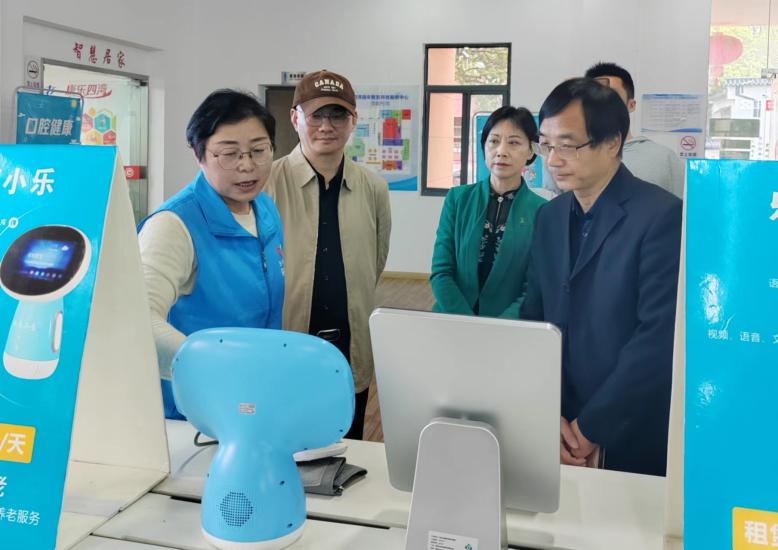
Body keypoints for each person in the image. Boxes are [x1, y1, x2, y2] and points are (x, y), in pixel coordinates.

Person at [521, 78, 682, 476]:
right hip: (555, 424)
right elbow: (534, 318)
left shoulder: (661, 215)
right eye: (545, 145)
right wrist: (546, 412)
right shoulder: (549, 217)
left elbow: (658, 338)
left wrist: (589, 428)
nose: (552, 160)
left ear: (612, 142)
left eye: (568, 145)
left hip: (627, 429)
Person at [138, 89, 284, 420]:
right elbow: (139, 320)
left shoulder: (264, 207)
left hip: (251, 397)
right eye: (229, 154)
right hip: (192, 411)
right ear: (199, 154)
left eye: (259, 150)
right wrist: (214, 367)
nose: (247, 166)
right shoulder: (174, 225)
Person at [267, 70, 391, 440]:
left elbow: (375, 261)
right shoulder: (268, 183)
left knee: (347, 447)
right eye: (316, 115)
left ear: (353, 121)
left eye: (337, 115)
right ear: (296, 119)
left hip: (349, 345)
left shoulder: (373, 188)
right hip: (286, 343)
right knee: (287, 445)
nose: (326, 126)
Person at [430, 106, 546, 317]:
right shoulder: (458, 199)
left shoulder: (542, 212)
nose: (501, 151)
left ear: (531, 151)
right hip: (451, 320)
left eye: (513, 142)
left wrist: (496, 328)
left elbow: (534, 287)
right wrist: (468, 324)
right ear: (484, 146)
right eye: (494, 141)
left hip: (509, 327)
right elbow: (441, 272)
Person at [585, 62, 684, 198]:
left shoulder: (663, 158)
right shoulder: (572, 158)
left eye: (612, 97)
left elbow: (684, 208)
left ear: (631, 105)